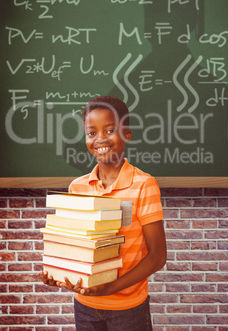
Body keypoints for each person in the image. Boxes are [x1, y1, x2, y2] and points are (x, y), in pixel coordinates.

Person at [40, 96, 167, 330]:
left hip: (128, 308)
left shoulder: (143, 185)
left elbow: (158, 256)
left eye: (110, 130)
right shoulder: (77, 187)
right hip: (85, 305)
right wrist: (59, 273)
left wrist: (109, 287)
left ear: (127, 134)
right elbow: (75, 246)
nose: (100, 139)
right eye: (91, 133)